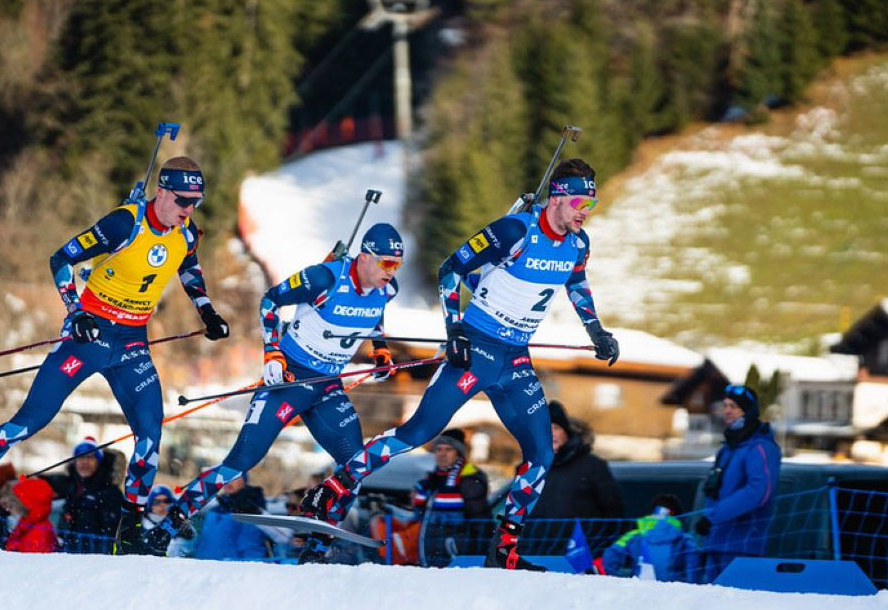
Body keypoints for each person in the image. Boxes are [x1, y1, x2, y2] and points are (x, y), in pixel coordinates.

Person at [302, 158, 620, 571]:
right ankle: (334, 487)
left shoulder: (579, 244)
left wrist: (596, 331)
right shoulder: (515, 230)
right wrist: (455, 332)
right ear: (557, 197)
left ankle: (504, 551)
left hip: (515, 358)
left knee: (541, 455)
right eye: (579, 201)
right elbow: (451, 269)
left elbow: (577, 282)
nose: (584, 211)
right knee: (419, 432)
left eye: (590, 206)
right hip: (478, 346)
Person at [0, 156, 230, 556]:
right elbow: (61, 258)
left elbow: (189, 268)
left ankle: (130, 532)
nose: (188, 210)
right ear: (163, 191)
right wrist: (76, 311)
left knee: (151, 436)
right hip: (91, 335)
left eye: (196, 202)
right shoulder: (124, 222)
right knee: (27, 423)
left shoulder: (184, 233)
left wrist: (207, 311)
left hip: (133, 342)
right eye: (183, 200)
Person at [151, 223, 404, 560]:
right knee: (240, 462)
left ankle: (316, 549)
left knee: (356, 465)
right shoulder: (324, 278)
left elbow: (374, 314)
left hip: (327, 386)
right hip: (289, 379)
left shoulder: (387, 287)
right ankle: (168, 525)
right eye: (387, 263)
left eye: (398, 265)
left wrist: (381, 349)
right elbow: (271, 300)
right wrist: (272, 351)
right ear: (366, 257)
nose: (393, 272)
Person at [694, 384, 781, 583]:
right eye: (725, 406)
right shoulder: (728, 448)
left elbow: (758, 491)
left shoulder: (761, 447)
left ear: (747, 410)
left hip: (742, 545)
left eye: (733, 406)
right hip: (716, 541)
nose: (727, 411)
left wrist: (713, 517)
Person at [528, 400, 623, 521]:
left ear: (567, 432)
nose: (550, 434)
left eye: (556, 428)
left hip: (580, 539)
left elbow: (613, 513)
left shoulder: (593, 467)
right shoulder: (528, 468)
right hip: (535, 539)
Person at [410, 428, 490, 566]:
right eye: (439, 449)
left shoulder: (469, 478)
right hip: (431, 548)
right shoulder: (433, 479)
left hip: (455, 552)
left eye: (448, 450)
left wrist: (472, 549)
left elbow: (479, 518)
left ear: (458, 454)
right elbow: (423, 514)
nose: (442, 454)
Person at [601, 493, 700, 582]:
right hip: (674, 591)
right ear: (677, 515)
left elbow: (610, 556)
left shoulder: (634, 536)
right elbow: (693, 569)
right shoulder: (685, 539)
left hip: (642, 589)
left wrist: (620, 581)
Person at [48, 437, 123, 553]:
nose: (84, 462)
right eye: (80, 457)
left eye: (90, 457)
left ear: (99, 462)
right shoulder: (70, 486)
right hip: (69, 553)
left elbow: (112, 529)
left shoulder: (110, 492)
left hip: (96, 556)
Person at [191, 475, 271, 562]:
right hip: (205, 568)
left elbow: (252, 547)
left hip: (231, 570)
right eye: (225, 478)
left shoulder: (250, 507)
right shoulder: (216, 508)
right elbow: (202, 543)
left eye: (234, 478)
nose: (228, 482)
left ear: (244, 481)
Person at [2, 476, 57, 553]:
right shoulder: (27, 524)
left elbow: (30, 562)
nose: (8, 509)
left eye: (14, 503)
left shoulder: (38, 533)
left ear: (26, 505)